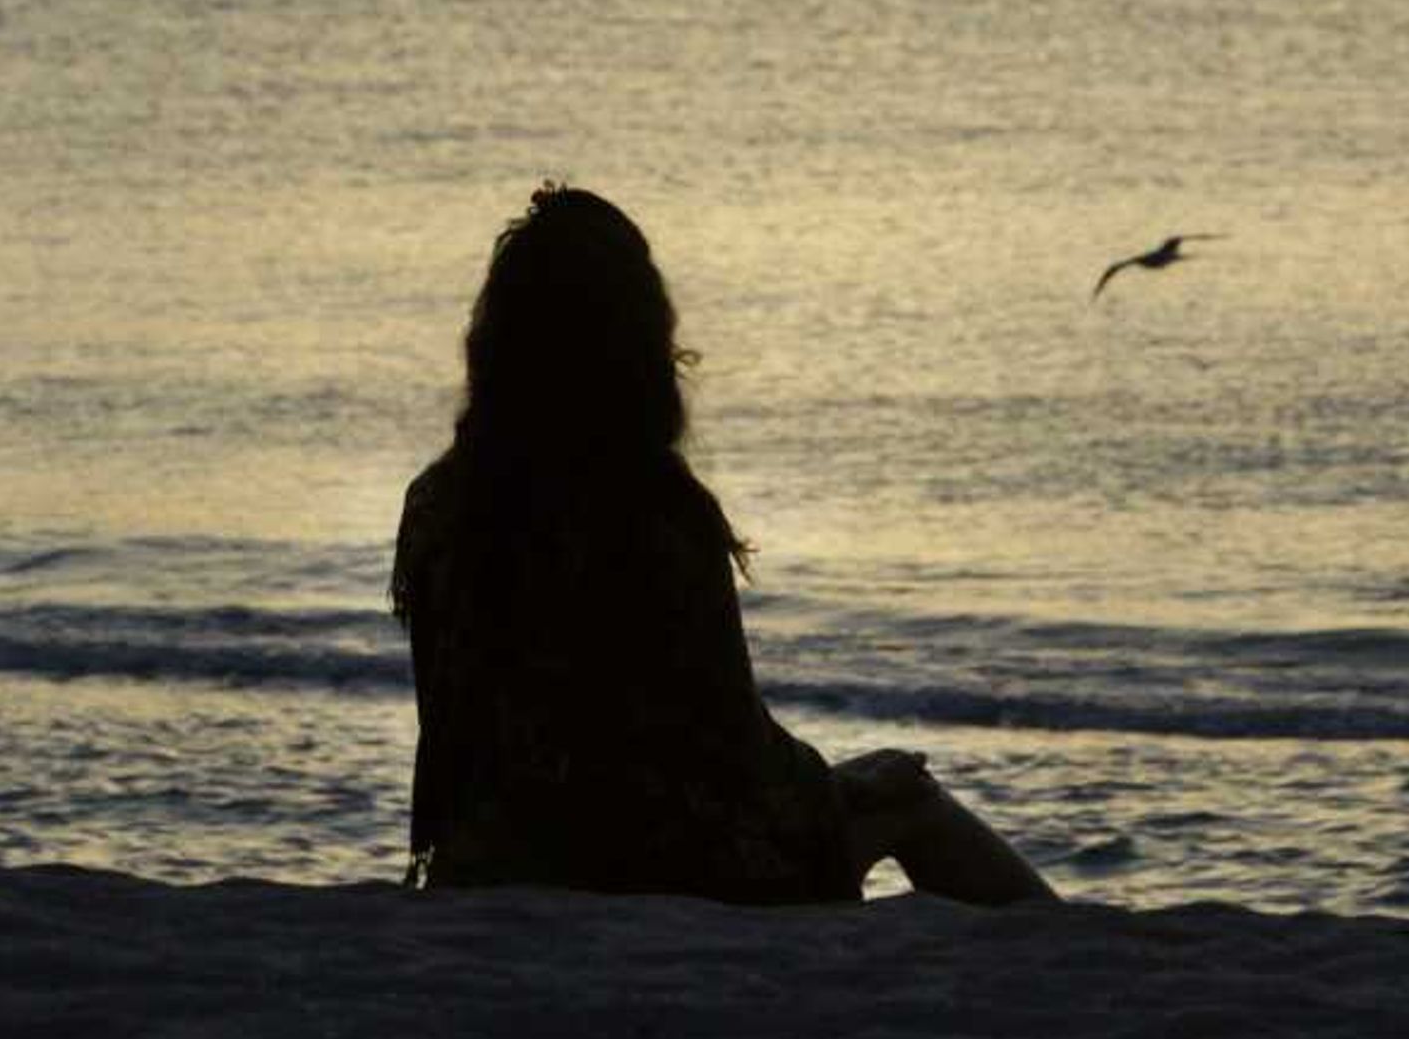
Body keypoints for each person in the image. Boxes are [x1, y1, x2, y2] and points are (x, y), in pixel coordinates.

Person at [389, 184, 1057, 907]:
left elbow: (449, 721)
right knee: (910, 799)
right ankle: (1063, 956)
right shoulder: (650, 508)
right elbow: (733, 744)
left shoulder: (439, 502)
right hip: (653, 866)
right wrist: (843, 783)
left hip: (489, 858)